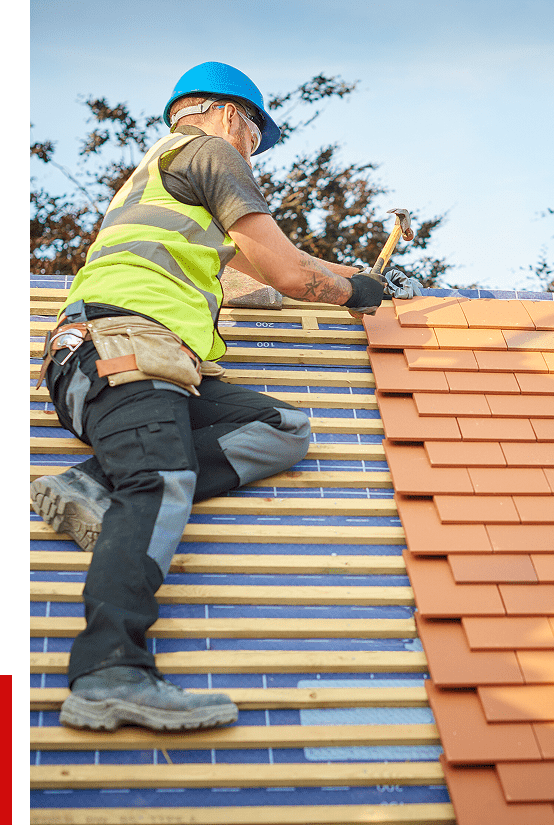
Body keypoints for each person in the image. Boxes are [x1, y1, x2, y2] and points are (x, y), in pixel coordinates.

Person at [30, 62, 406, 732]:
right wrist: (355, 294)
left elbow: (251, 276)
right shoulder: (210, 152)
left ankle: (93, 484)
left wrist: (343, 275)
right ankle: (109, 667)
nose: (253, 150)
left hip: (136, 360)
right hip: (124, 349)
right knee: (161, 479)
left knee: (281, 426)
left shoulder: (164, 180)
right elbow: (288, 271)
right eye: (256, 134)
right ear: (227, 113)